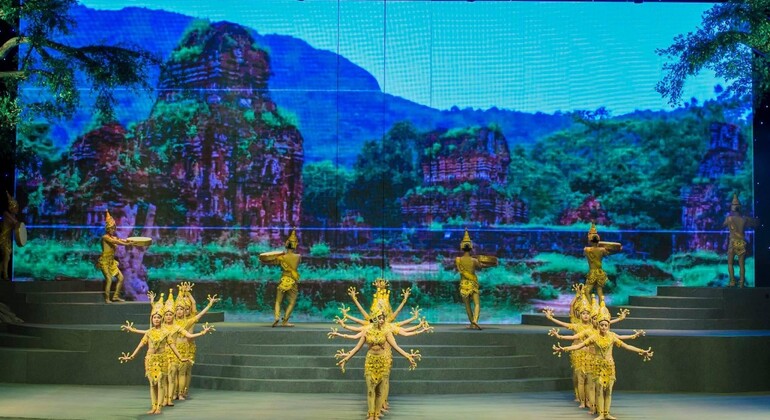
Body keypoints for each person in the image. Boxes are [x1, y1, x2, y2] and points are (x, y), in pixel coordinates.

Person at [552, 302, 653, 420]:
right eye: (601, 325)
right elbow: (578, 345)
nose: (604, 327)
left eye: (606, 325)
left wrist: (641, 351)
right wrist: (564, 348)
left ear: (608, 325)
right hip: (597, 366)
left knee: (608, 391)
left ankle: (607, 413)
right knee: (599, 390)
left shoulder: (612, 336)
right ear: (598, 325)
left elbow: (626, 346)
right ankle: (600, 414)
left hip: (609, 366)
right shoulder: (594, 337)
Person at [332, 304, 421, 420]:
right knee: (370, 390)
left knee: (379, 391)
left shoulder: (386, 332)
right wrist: (346, 358)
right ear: (374, 318)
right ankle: (371, 414)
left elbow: (396, 347)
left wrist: (407, 356)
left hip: (383, 361)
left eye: (382, 318)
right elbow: (357, 347)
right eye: (379, 318)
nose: (381, 320)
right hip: (370, 361)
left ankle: (377, 414)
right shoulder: (366, 331)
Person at [118, 296, 189, 415]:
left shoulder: (166, 333)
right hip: (150, 360)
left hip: (162, 360)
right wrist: (131, 356)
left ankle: (159, 407)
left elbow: (173, 346)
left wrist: (181, 357)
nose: (156, 319)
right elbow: (140, 345)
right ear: (152, 319)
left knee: (161, 383)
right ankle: (153, 406)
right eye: (154, 317)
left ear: (161, 319)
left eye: (158, 317)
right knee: (152, 384)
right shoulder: (149, 332)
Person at [455, 228, 497, 330]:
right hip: (473, 283)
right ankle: (475, 321)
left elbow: (460, 271)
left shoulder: (458, 260)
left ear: (461, 247)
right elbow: (482, 266)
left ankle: (472, 323)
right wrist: (492, 264)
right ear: (471, 247)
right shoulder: (474, 260)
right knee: (477, 304)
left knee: (467, 305)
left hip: (463, 285)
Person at [260, 228, 301, 327]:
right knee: (291, 302)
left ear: (286, 244)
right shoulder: (298, 256)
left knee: (278, 301)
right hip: (292, 282)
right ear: (295, 245)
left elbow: (270, 261)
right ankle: (285, 321)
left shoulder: (281, 257)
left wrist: (270, 257)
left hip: (283, 281)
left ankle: (276, 317)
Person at [723, 194, 760, 287]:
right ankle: (742, 283)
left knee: (730, 263)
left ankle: (732, 282)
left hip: (732, 242)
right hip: (741, 242)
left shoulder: (729, 218)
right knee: (741, 264)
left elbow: (723, 225)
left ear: (732, 208)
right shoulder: (744, 219)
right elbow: (755, 223)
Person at [99, 210, 134, 303]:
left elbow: (121, 240)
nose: (113, 230)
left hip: (111, 262)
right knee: (109, 279)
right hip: (104, 262)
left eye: (114, 228)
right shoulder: (105, 237)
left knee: (121, 278)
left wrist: (130, 241)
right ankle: (107, 298)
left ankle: (115, 296)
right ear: (108, 228)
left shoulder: (113, 237)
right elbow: (116, 242)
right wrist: (126, 244)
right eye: (111, 228)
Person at [583, 223, 621, 302]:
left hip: (592, 273)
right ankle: (601, 307)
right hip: (600, 273)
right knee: (600, 291)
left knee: (586, 291)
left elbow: (587, 250)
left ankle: (591, 306)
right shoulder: (602, 250)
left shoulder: (586, 250)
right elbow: (610, 253)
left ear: (589, 240)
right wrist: (618, 250)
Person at [1, 191, 21, 281]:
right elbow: (15, 223)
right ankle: (5, 275)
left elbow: (16, 228)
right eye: (16, 208)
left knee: (5, 258)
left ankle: (3, 274)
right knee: (6, 256)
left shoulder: (13, 217)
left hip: (8, 239)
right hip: (2, 238)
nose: (17, 209)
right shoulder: (6, 214)